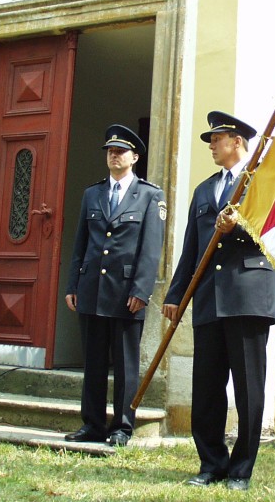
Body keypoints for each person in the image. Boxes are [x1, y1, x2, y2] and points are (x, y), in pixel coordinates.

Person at [162, 111, 275, 492]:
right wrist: (176, 294)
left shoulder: (262, 179)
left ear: (237, 141)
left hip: (247, 295)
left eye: (217, 139)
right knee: (207, 388)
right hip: (209, 297)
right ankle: (211, 463)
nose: (211, 146)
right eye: (211, 140)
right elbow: (192, 248)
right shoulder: (204, 190)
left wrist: (239, 226)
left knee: (248, 389)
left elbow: (274, 230)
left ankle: (241, 469)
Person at [63, 125, 166, 447]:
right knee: (93, 362)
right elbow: (81, 244)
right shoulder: (92, 194)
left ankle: (122, 426)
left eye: (121, 151)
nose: (114, 156)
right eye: (110, 151)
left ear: (135, 157)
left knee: (125, 365)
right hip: (92, 288)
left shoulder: (150, 195)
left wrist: (141, 290)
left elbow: (151, 249)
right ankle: (92, 424)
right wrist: (73, 284)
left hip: (125, 293)